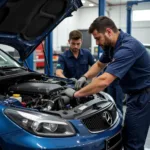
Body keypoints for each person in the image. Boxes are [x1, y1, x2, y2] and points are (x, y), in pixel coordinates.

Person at [62, 16, 150, 150]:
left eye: (98, 38)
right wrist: (84, 77)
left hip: (144, 96)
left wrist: (76, 94)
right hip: (134, 94)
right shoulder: (112, 46)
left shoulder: (127, 48)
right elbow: (99, 65)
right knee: (129, 136)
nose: (96, 43)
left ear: (109, 32)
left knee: (133, 142)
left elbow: (104, 81)